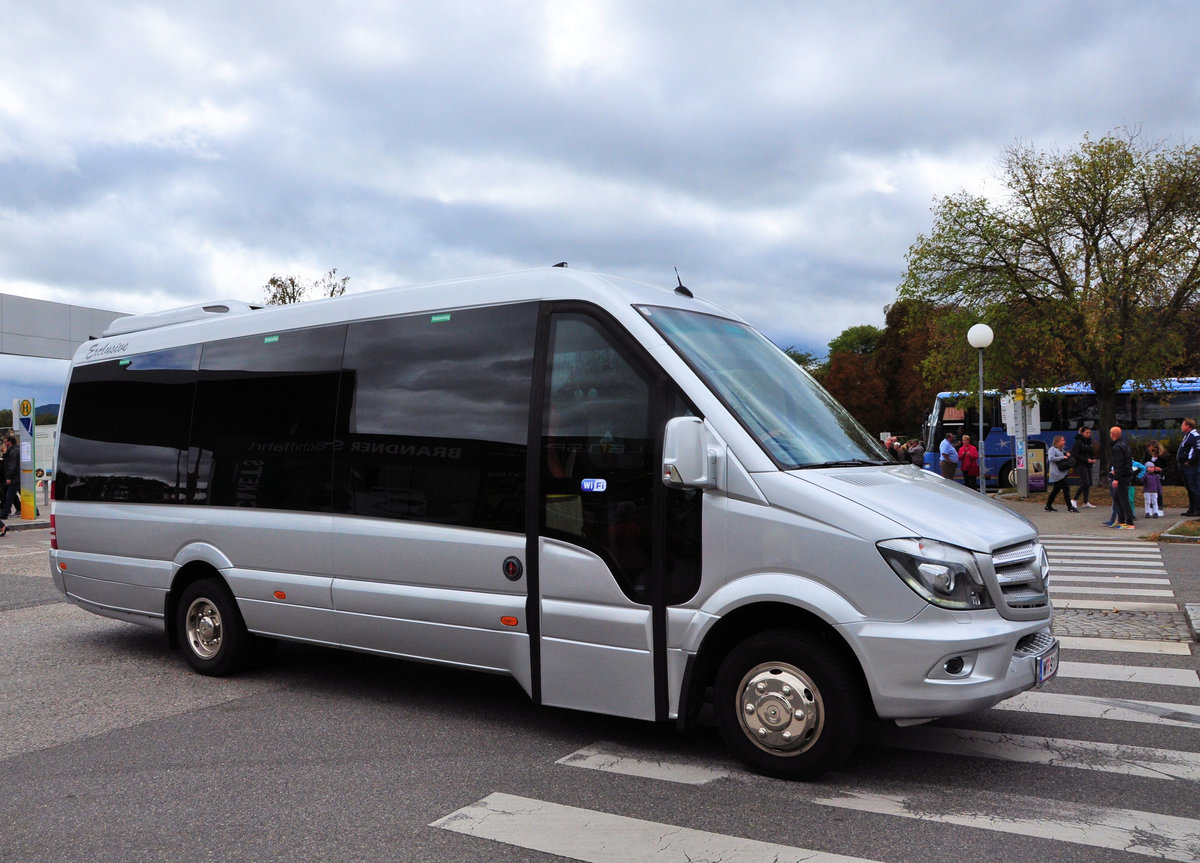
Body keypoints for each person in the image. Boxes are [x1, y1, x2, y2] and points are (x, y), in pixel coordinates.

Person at [1108, 425, 1136, 529]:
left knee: (1123, 498)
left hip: (1122, 476)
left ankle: (1129, 523)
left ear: (1112, 434)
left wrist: (1116, 478)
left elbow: (1119, 463)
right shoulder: (1125, 444)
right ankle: (1121, 520)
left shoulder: (1116, 447)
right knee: (1117, 497)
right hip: (1127, 473)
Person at [1044, 435, 1078, 512]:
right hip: (1057, 473)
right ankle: (1070, 507)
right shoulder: (1052, 449)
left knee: (1056, 490)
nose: (1064, 441)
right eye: (1062, 440)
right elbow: (1051, 458)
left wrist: (1066, 455)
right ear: (1057, 441)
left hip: (1062, 472)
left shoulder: (1061, 450)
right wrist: (1062, 457)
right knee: (1066, 488)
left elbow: (1065, 456)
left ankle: (1048, 506)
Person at [1069, 426, 1097, 509]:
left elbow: (1090, 452)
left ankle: (1085, 502)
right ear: (1082, 433)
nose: (1089, 434)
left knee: (1088, 483)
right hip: (1080, 464)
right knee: (1085, 483)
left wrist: (1093, 458)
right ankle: (1074, 499)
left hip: (1088, 464)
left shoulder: (1089, 442)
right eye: (1087, 433)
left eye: (1089, 433)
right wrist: (1085, 459)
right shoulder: (1078, 442)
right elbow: (1074, 454)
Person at [1178, 418, 1200, 516]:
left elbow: (1198, 451)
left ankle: (1197, 509)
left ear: (1188, 426)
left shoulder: (1195, 436)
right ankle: (1192, 508)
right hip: (1184, 466)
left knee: (1194, 487)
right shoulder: (1187, 436)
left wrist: (1190, 462)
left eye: (1182, 425)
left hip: (1191, 467)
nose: (1181, 427)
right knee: (1189, 488)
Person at [1142, 442, 1164, 518]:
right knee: (1148, 499)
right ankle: (1149, 510)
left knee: (1157, 496)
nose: (1152, 450)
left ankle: (1159, 509)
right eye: (1150, 449)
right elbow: (1143, 463)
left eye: (1153, 449)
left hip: (1158, 475)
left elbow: (1167, 466)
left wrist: (1161, 469)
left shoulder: (1162, 456)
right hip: (1148, 477)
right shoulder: (1147, 455)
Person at [0, 435, 18, 522]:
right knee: (11, 495)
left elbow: (12, 465)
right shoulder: (11, 450)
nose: (4, 443)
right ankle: (35, 510)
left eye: (5, 441)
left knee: (9, 495)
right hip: (15, 476)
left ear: (10, 442)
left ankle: (4, 514)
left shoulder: (13, 451)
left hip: (14, 477)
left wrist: (9, 477)